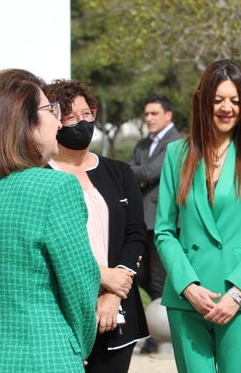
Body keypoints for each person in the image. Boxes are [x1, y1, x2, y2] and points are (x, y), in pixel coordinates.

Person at [0, 69, 100, 373]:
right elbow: (81, 286)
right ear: (21, 123)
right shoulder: (54, 188)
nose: (57, 121)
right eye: (50, 110)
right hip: (41, 356)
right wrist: (74, 345)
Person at [155, 59, 241, 373]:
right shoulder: (177, 154)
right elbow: (164, 230)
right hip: (188, 299)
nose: (227, 108)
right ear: (202, 101)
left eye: (235, 101)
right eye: (218, 100)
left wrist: (237, 292)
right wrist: (187, 286)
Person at [44, 79, 149, 373]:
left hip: (116, 309)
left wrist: (114, 291)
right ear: (54, 121)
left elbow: (135, 234)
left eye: (86, 114)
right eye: (70, 117)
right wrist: (99, 276)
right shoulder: (39, 176)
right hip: (61, 313)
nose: (81, 122)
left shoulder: (119, 172)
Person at [127, 93, 181, 354]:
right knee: (140, 276)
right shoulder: (142, 144)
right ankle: (163, 323)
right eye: (146, 114)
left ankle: (160, 336)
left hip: (165, 222)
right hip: (142, 221)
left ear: (168, 115)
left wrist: (141, 175)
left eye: (154, 114)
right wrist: (140, 175)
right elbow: (132, 172)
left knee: (159, 279)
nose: (148, 118)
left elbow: (147, 172)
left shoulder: (177, 143)